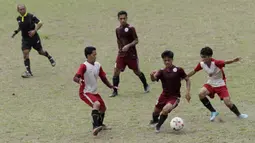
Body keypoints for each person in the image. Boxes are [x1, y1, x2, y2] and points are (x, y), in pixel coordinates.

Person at [187, 46, 248, 121]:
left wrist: (233, 60)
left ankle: (239, 114)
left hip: (220, 84)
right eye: (201, 57)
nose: (202, 59)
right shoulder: (202, 64)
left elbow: (225, 62)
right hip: (211, 83)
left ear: (209, 56)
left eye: (204, 57)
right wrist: (185, 77)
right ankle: (213, 111)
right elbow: (194, 71)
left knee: (228, 102)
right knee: (201, 94)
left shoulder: (216, 63)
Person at [73, 46, 117, 136]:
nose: (96, 55)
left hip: (94, 92)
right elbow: (75, 77)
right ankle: (95, 127)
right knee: (96, 104)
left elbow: (103, 77)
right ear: (88, 55)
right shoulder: (84, 66)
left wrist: (111, 86)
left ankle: (100, 125)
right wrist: (79, 80)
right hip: (85, 92)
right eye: (94, 54)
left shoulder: (97, 65)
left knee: (103, 108)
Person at [149, 50, 191, 133]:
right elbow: (154, 79)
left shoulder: (179, 70)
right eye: (165, 60)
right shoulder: (161, 71)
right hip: (164, 96)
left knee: (165, 110)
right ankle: (155, 121)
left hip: (174, 97)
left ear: (172, 60)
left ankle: (158, 127)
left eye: (169, 60)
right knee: (155, 112)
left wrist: (188, 92)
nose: (167, 62)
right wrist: (151, 75)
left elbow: (187, 80)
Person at [111, 10, 149, 97]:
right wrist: (119, 49)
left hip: (131, 55)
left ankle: (145, 85)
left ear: (127, 18)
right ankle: (115, 91)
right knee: (116, 71)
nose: (122, 20)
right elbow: (118, 40)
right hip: (121, 55)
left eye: (124, 18)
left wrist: (128, 46)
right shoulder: (117, 30)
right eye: (121, 19)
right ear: (118, 19)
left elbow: (136, 40)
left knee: (137, 71)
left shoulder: (131, 29)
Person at [12, 4, 56, 78]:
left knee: (41, 52)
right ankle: (28, 72)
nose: (22, 10)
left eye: (23, 9)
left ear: (25, 9)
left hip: (34, 38)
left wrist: (34, 31)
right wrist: (16, 32)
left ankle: (49, 57)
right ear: (18, 10)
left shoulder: (30, 16)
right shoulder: (18, 18)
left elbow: (40, 23)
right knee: (25, 54)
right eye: (21, 9)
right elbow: (21, 26)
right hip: (25, 39)